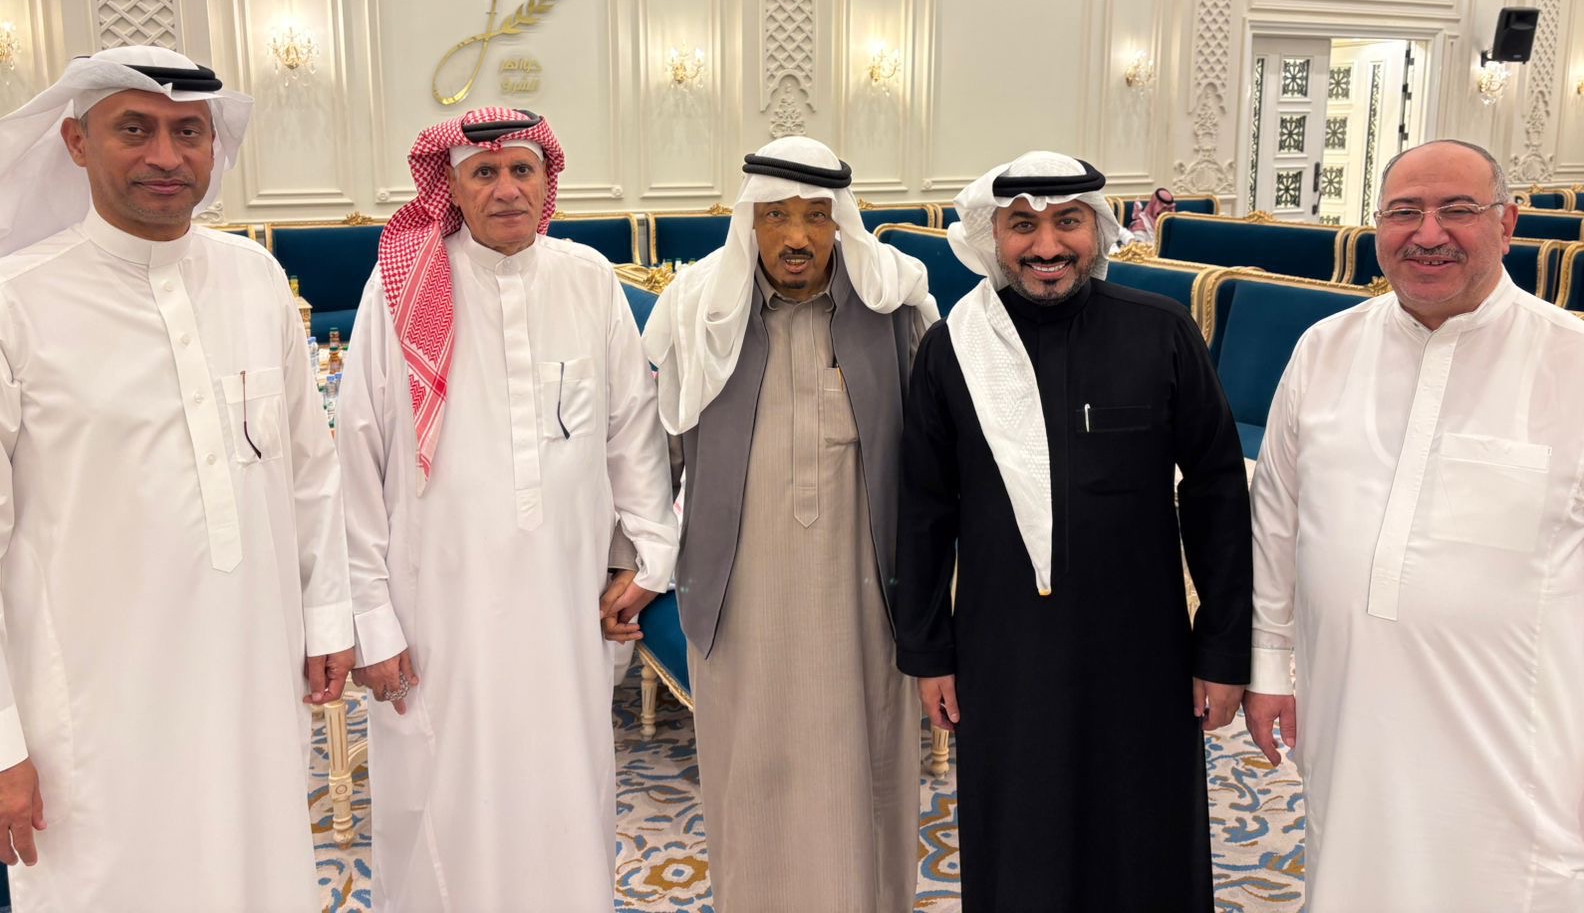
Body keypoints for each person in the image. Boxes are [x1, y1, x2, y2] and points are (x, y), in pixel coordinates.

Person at [0, 46, 354, 911]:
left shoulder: (254, 278)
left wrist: (328, 614)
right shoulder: (9, 302)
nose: (165, 156)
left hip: (252, 683)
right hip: (90, 714)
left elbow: (309, 468)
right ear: (77, 142)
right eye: (134, 130)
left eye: (189, 132)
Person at [338, 107, 678, 912]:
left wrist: (648, 558)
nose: (506, 189)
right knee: (443, 794)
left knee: (565, 783)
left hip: (563, 601)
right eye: (484, 173)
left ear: (546, 181)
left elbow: (631, 431)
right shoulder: (404, 289)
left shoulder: (587, 278)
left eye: (522, 170)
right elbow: (356, 457)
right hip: (436, 606)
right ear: (451, 187)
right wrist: (371, 620)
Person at [897, 150, 1251, 912]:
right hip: (1005, 652)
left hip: (1144, 652)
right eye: (1022, 226)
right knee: (1020, 840)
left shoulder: (1161, 331)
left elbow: (1218, 493)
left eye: (1067, 222)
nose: (1047, 246)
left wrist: (1223, 651)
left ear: (1099, 230)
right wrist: (929, 654)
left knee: (1145, 839)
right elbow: (924, 511)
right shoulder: (953, 349)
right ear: (993, 237)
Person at [1244, 139, 1584, 912]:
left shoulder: (1572, 361)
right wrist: (1268, 668)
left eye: (1457, 210)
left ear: (1507, 223)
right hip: (1350, 704)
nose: (1428, 234)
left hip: (1520, 723)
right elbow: (1276, 520)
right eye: (1404, 212)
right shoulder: (1325, 349)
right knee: (1352, 867)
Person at [642, 135, 937, 913]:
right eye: (776, 216)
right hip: (742, 602)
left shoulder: (896, 311)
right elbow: (651, 455)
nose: (797, 236)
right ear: (750, 222)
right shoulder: (700, 315)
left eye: (815, 216)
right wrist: (630, 565)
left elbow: (941, 461)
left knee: (866, 777)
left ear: (842, 223)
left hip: (865, 604)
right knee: (752, 778)